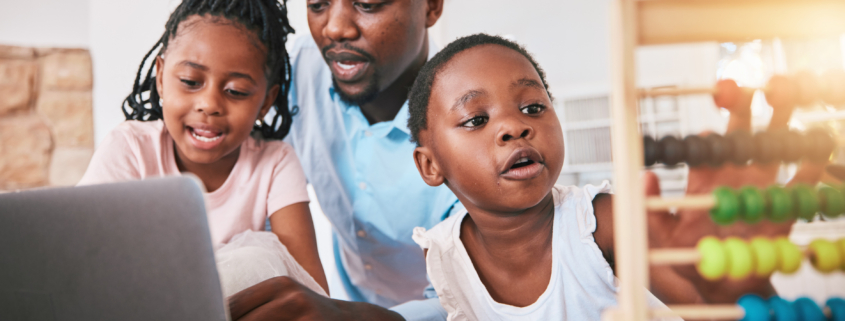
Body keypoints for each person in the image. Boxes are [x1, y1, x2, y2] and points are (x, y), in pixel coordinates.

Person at [405, 34, 826, 319]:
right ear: (430, 165)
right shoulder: (442, 253)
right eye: (476, 118)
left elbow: (702, 307)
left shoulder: (602, 223)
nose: (514, 127)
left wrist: (726, 294)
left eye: (533, 107)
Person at [77, 0, 328, 293]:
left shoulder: (275, 162)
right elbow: (81, 257)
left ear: (266, 103)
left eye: (236, 91)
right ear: (161, 77)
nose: (209, 105)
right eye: (190, 81)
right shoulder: (130, 148)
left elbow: (313, 292)